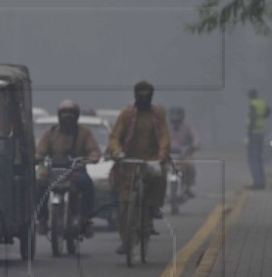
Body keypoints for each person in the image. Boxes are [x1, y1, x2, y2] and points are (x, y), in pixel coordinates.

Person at [107, 81, 171, 255]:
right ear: (135, 96)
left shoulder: (157, 114)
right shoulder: (127, 114)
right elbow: (115, 137)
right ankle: (127, 240)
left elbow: (164, 136)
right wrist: (117, 152)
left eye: (147, 96)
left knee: (158, 178)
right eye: (140, 96)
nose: (143, 99)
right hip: (129, 162)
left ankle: (152, 208)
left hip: (150, 160)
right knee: (124, 204)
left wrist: (162, 153)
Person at [35, 100, 101, 237]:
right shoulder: (51, 132)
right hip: (54, 171)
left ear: (76, 116)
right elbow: (40, 150)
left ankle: (86, 220)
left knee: (87, 184)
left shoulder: (84, 132)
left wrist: (93, 157)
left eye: (71, 113)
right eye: (64, 113)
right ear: (59, 115)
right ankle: (42, 219)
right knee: (40, 186)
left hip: (76, 171)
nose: (67, 116)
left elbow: (93, 150)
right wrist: (38, 157)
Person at [168, 106, 200, 198]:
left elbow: (195, 137)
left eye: (177, 115)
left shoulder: (187, 127)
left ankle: (187, 187)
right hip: (167, 155)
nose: (175, 117)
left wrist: (195, 144)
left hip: (183, 155)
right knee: (156, 171)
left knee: (190, 167)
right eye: (173, 115)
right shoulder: (165, 127)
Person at [246, 88, 270, 189]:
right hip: (261, 133)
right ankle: (262, 182)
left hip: (253, 133)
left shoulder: (252, 104)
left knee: (252, 158)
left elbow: (252, 118)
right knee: (258, 158)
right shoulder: (262, 103)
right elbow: (269, 111)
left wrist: (249, 133)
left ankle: (257, 183)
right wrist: (263, 117)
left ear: (250, 96)